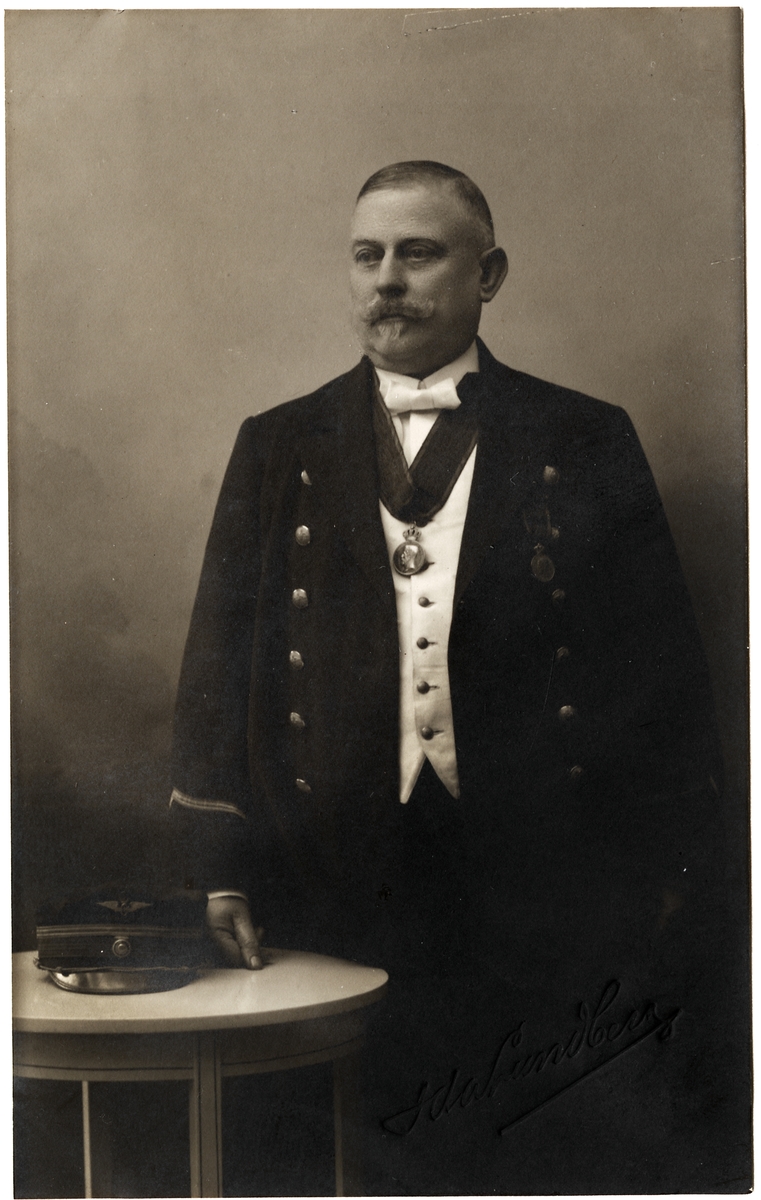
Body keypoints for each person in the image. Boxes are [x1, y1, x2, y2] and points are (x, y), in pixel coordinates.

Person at [169, 161, 723, 1193]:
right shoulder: (278, 442)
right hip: (329, 863)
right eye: (366, 256)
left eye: (418, 254)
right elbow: (217, 664)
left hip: (538, 869)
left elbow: (659, 677)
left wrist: (663, 875)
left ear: (488, 274)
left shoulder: (584, 436)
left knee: (520, 1144)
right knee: (343, 1148)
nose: (386, 280)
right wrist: (221, 869)